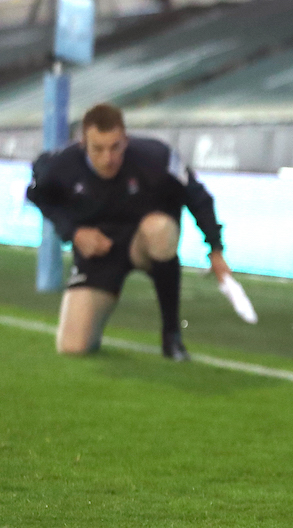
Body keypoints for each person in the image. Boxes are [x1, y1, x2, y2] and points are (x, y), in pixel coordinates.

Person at [25, 102, 234, 360]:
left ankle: (172, 335)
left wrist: (215, 249)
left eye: (115, 147)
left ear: (126, 139)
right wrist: (74, 233)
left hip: (141, 244)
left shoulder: (156, 156)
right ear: (83, 144)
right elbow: (37, 195)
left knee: (159, 229)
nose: (108, 158)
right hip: (99, 254)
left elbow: (197, 197)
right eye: (98, 149)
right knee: (72, 346)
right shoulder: (61, 165)